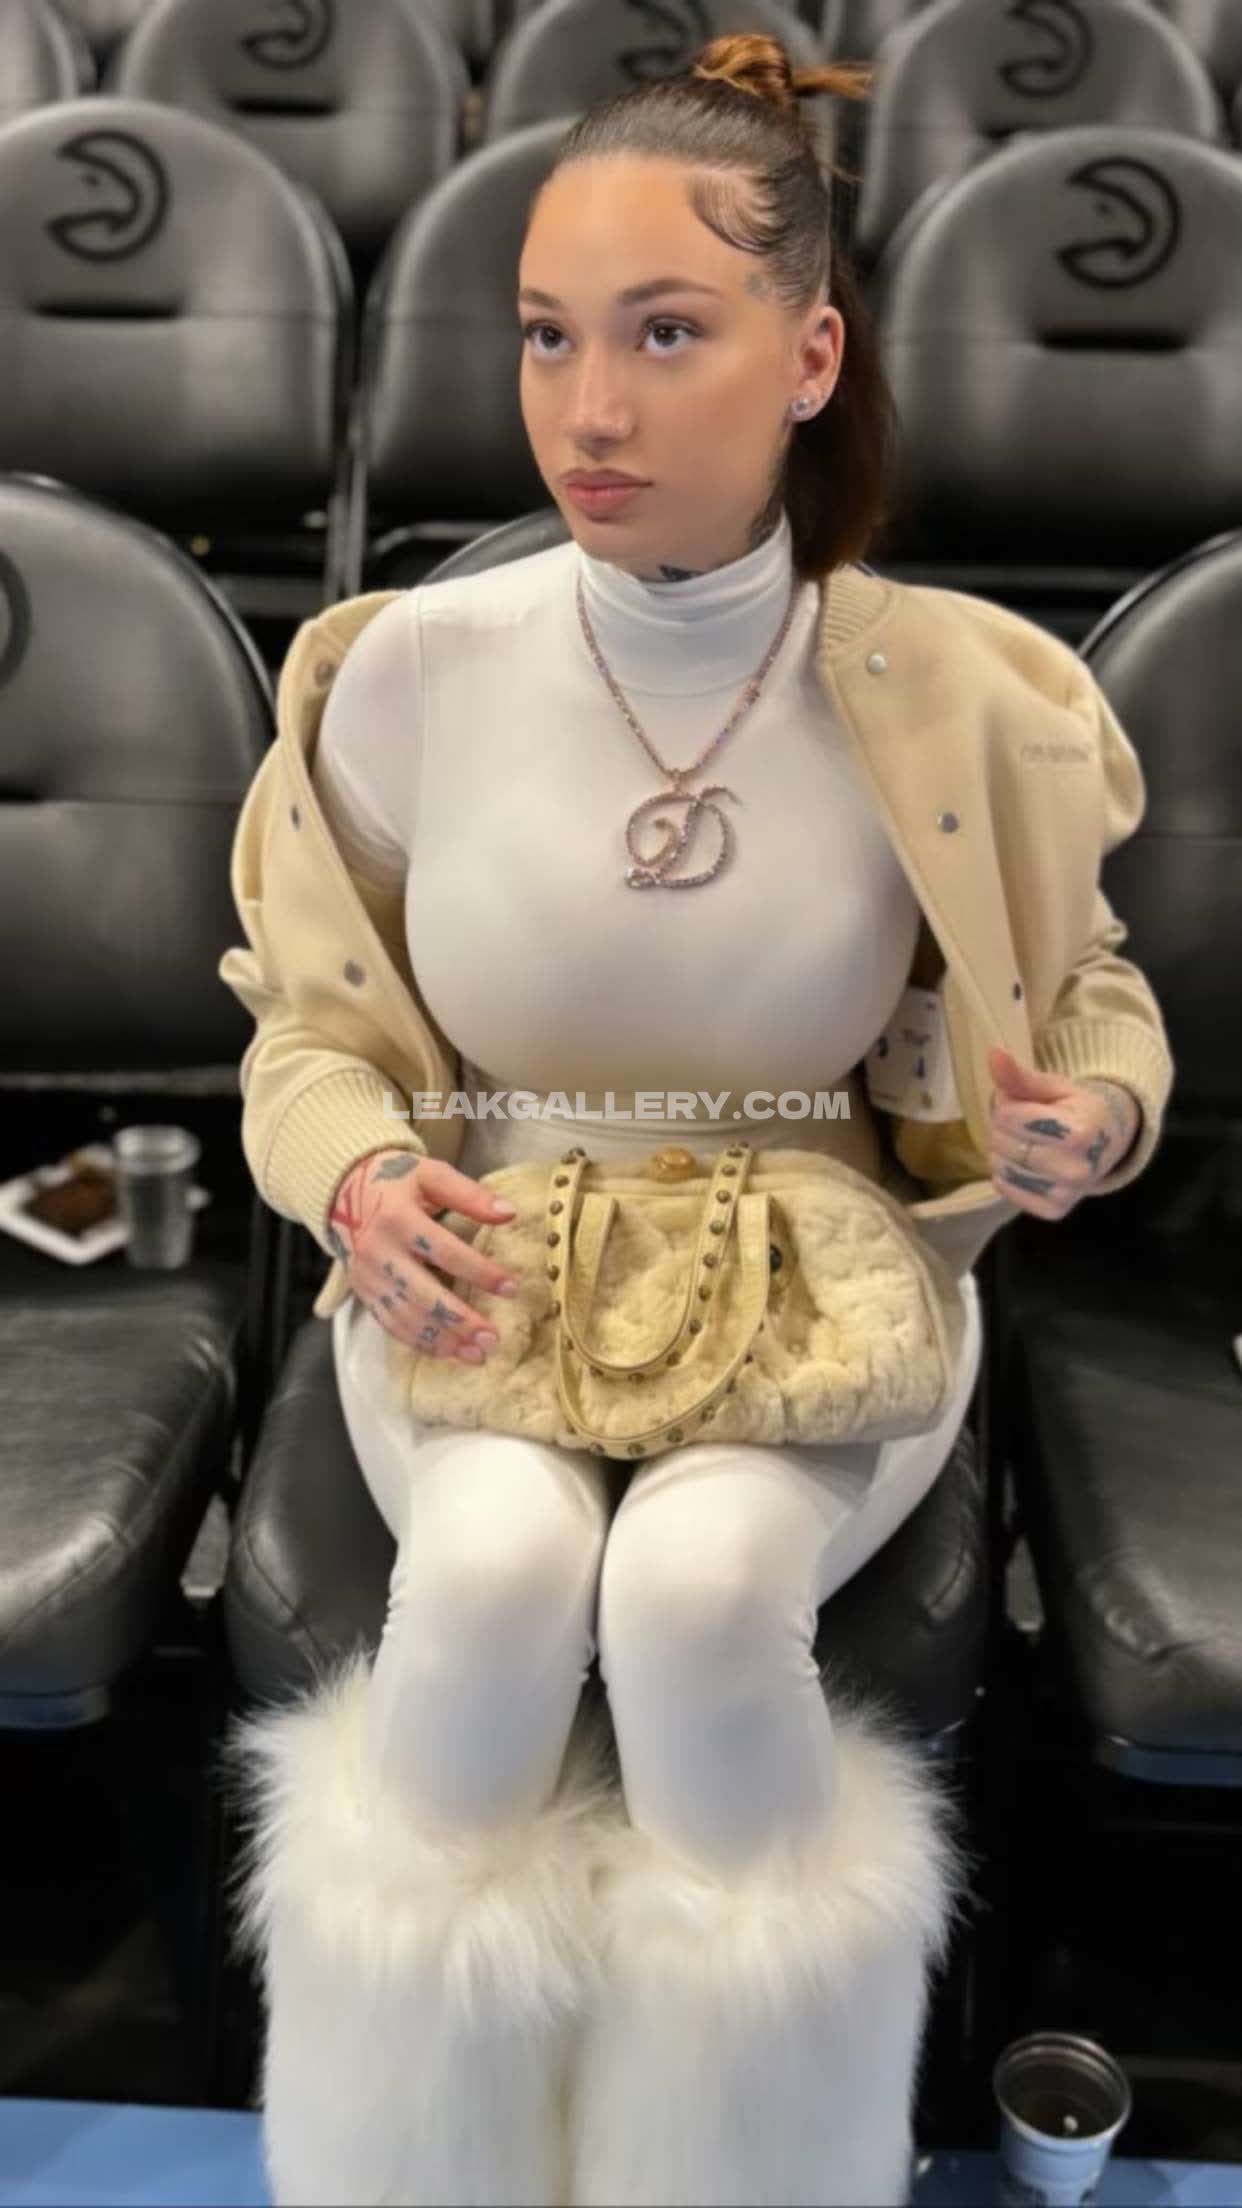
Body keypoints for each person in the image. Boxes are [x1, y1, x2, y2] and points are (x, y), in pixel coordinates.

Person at [217, 32, 1174, 2207]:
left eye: (666, 333)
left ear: (809, 353)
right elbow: (305, 1036)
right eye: (546, 335)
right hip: (493, 1235)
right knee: (493, 1570)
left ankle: (746, 2172)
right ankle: (402, 2168)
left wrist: (1093, 1115)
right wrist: (356, 1173)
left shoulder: (966, 695)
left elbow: (1091, 998)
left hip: (820, 1262)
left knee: (699, 1585)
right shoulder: (406, 671)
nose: (589, 409)